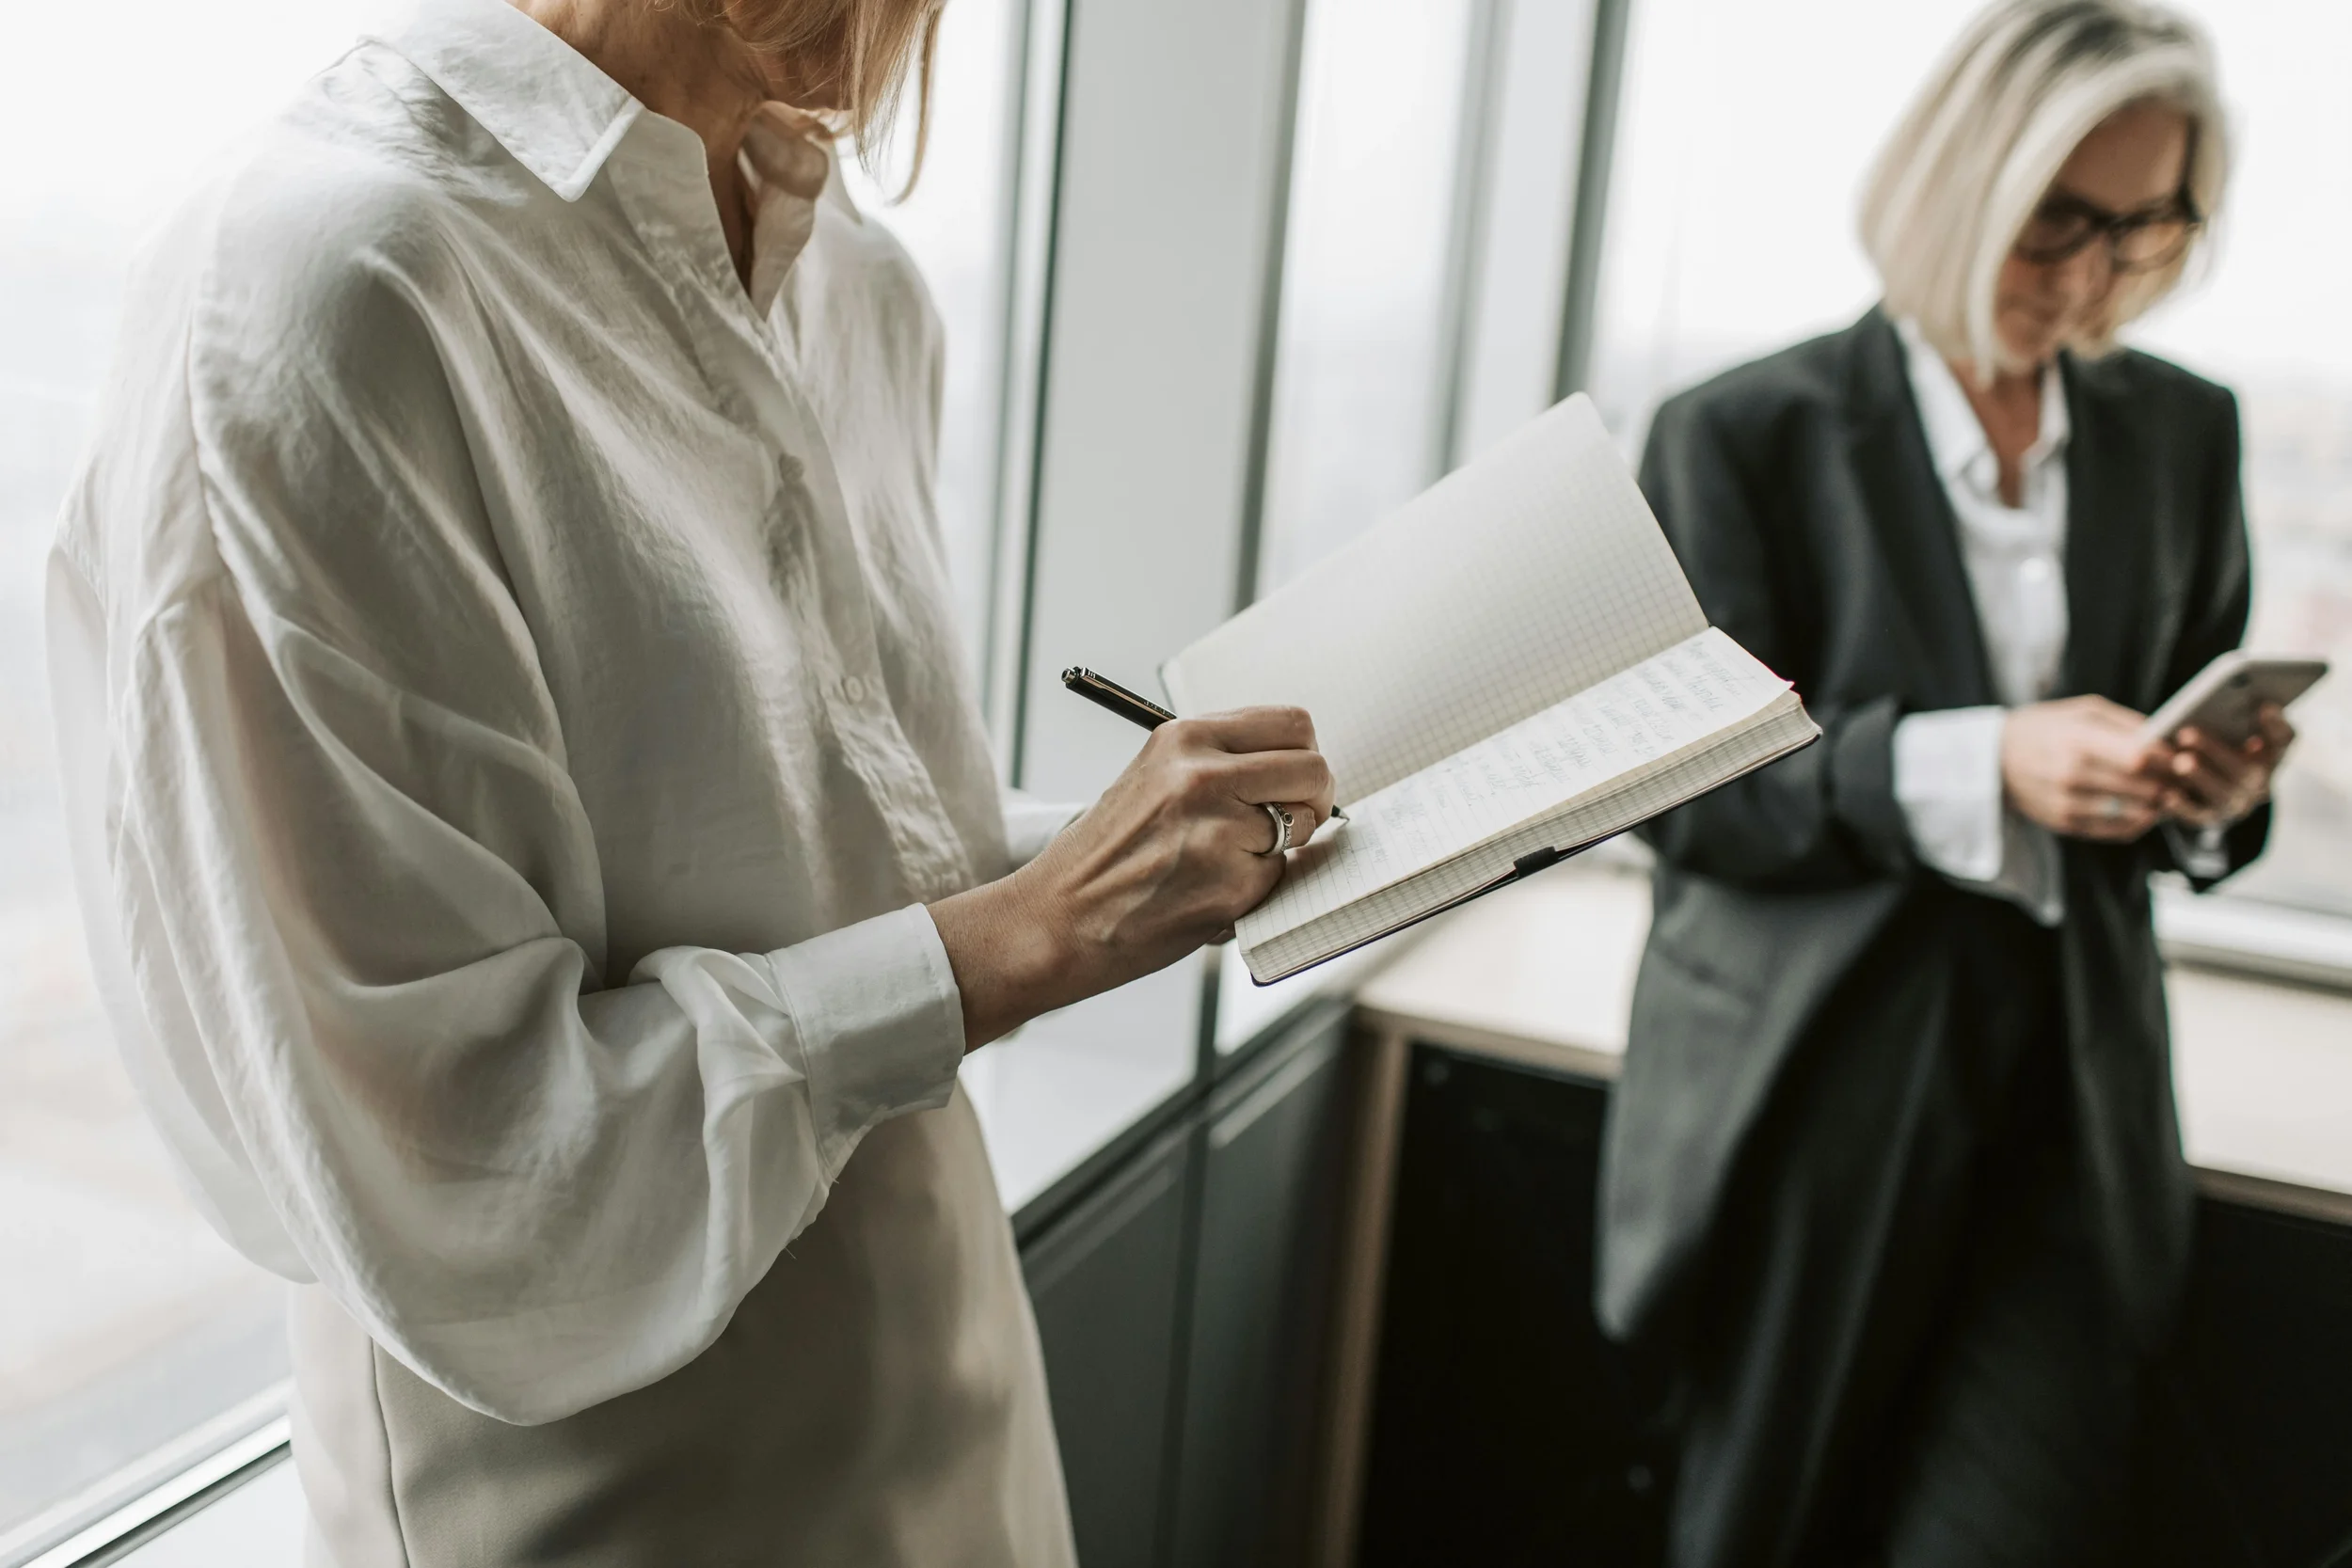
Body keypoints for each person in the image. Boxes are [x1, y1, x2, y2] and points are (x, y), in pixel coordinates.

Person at [45, 0, 1334, 1560]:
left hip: (968, 1453)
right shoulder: (328, 296)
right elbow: (467, 1174)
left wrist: (1157, 856)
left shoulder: (854, 283)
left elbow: (847, 865)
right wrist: (1028, 935)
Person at [1594, 3, 2297, 1564]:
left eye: (2148, 227)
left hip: (2071, 1088)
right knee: (1759, 1531)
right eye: (2063, 222)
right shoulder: (1748, 433)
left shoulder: (2184, 431)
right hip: (1817, 1089)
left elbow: (2196, 780)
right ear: (1963, 182)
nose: (2099, 275)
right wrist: (1986, 757)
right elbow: (1685, 795)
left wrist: (2206, 782)